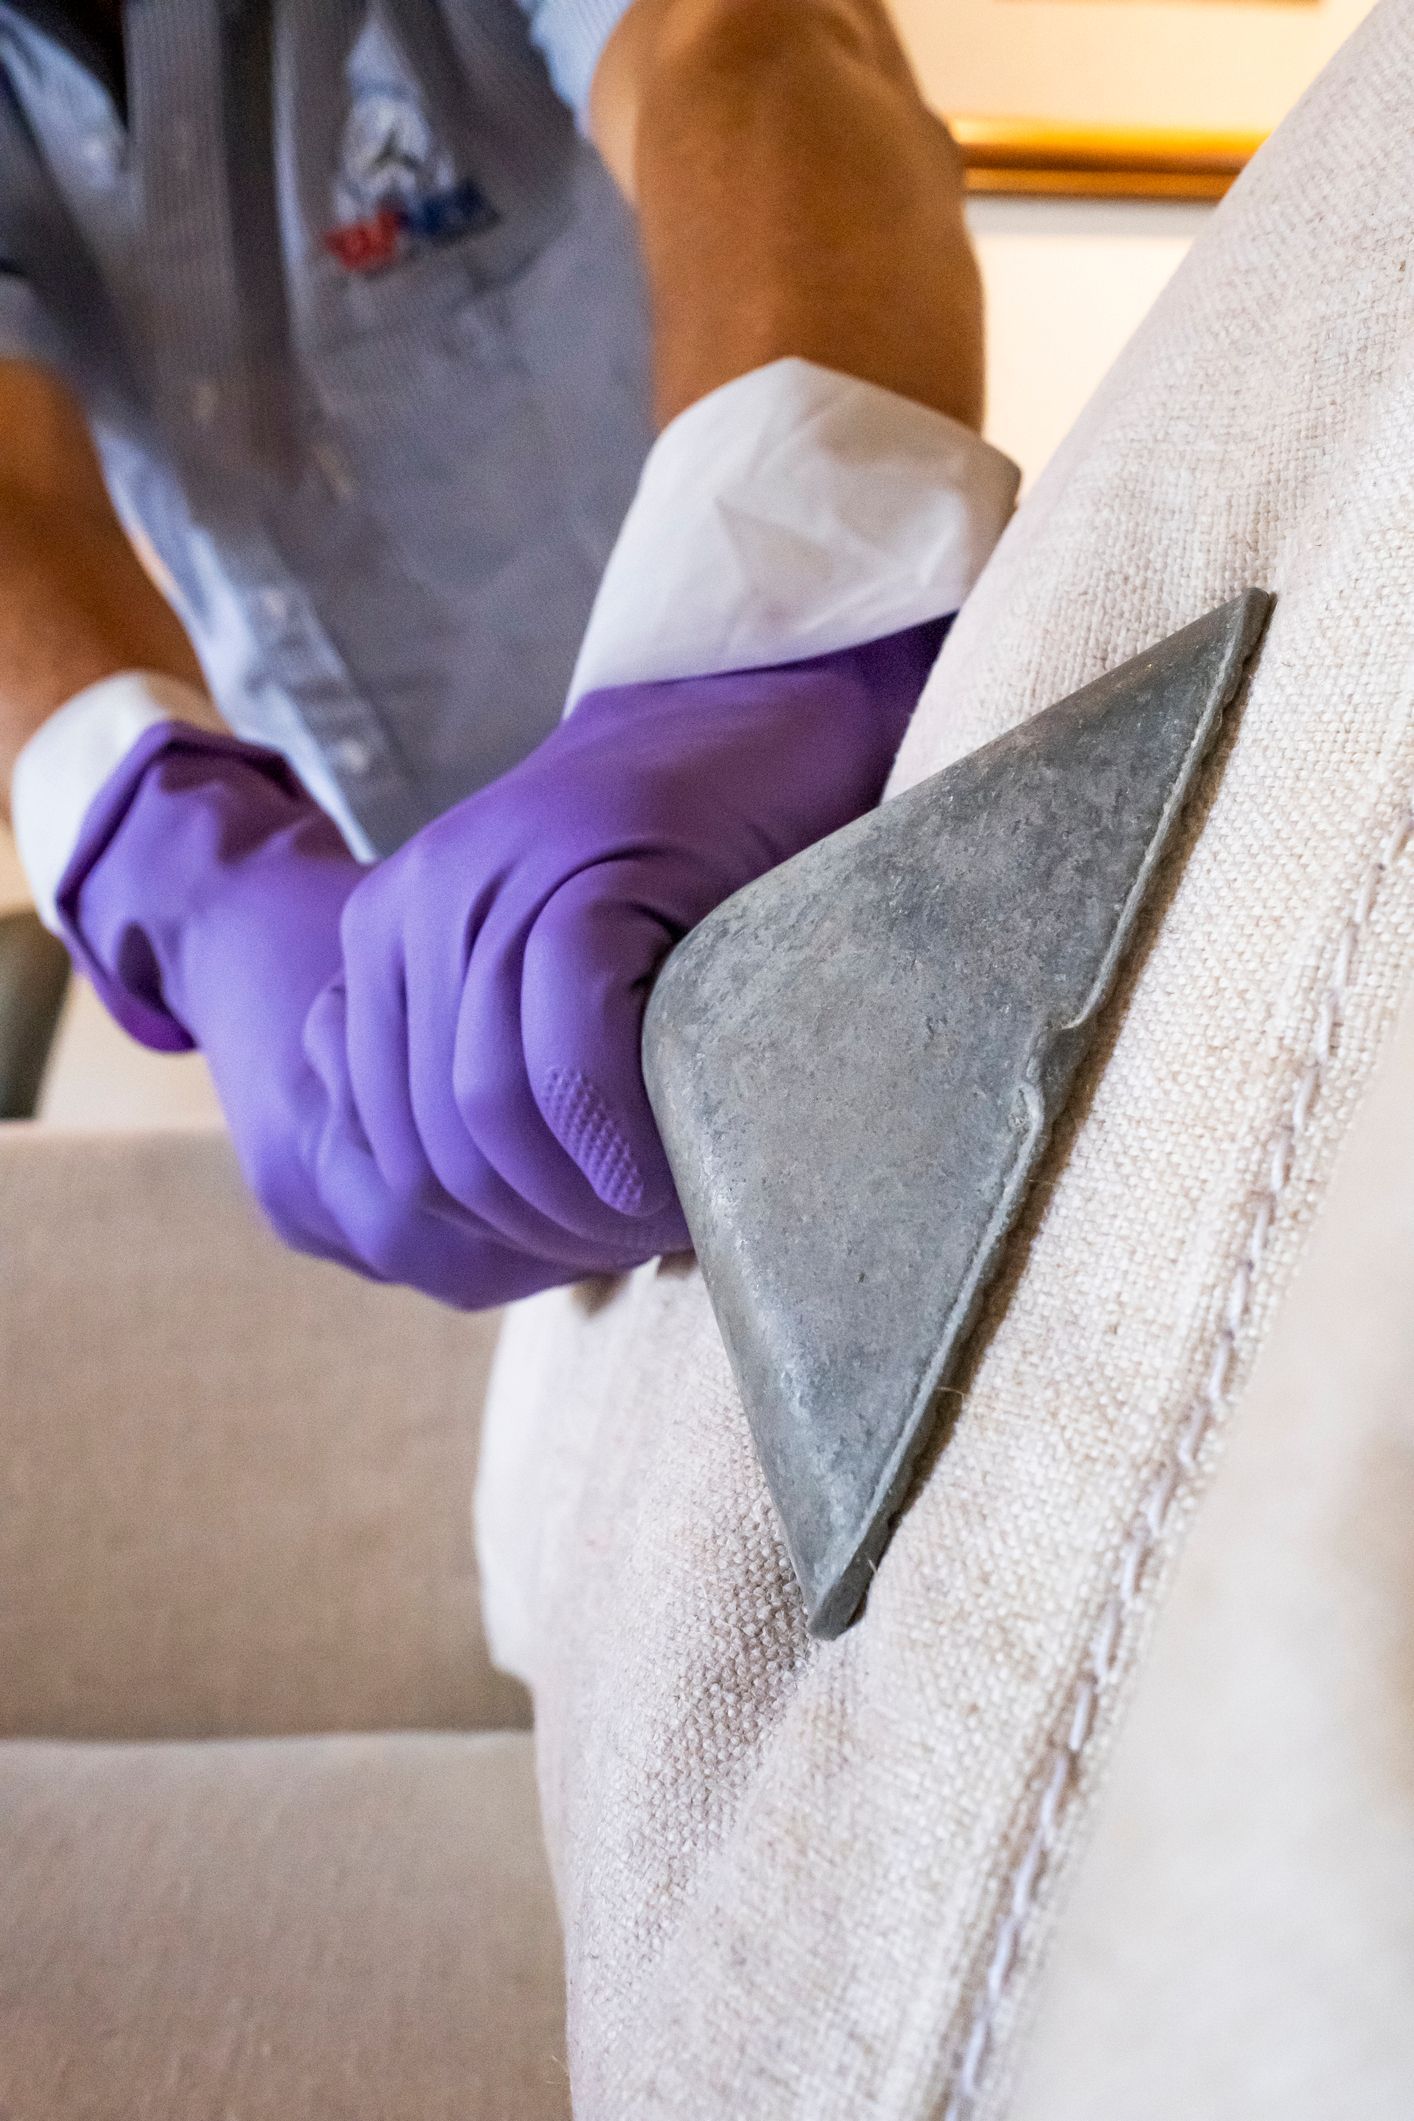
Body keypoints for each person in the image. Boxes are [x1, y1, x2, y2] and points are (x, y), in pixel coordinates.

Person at [0, 0, 1018, 1304]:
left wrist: (765, 624)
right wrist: (180, 860)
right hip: (398, 986)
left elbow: (742, 44)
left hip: (816, 805)